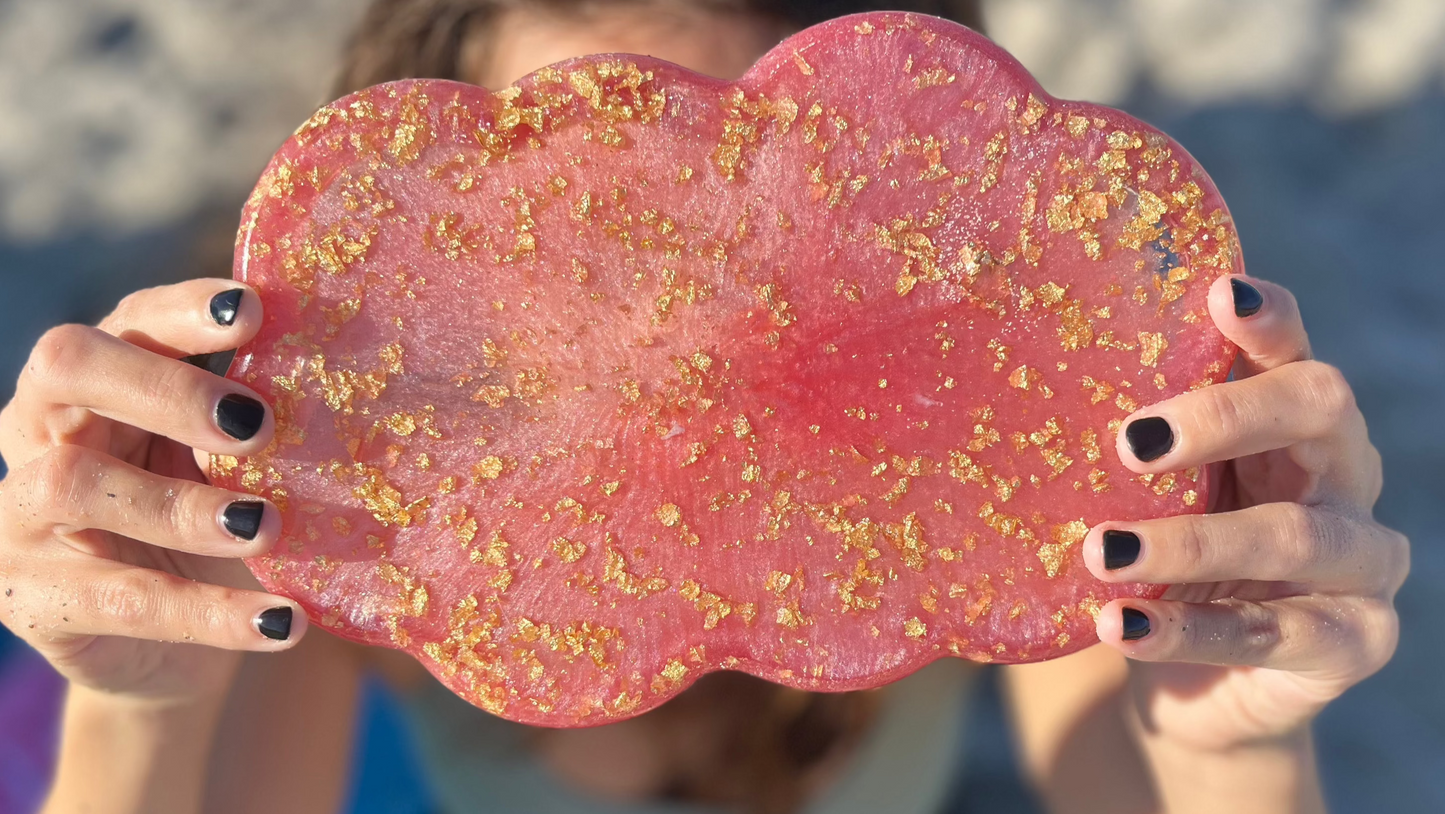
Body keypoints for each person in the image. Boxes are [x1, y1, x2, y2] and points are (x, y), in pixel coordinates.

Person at [0, 1, 1408, 812]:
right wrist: (135, 712)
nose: (679, 359)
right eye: (573, 249)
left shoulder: (973, 470)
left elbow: (1144, 767)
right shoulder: (353, 510)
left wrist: (1240, 741)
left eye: (795, 278)